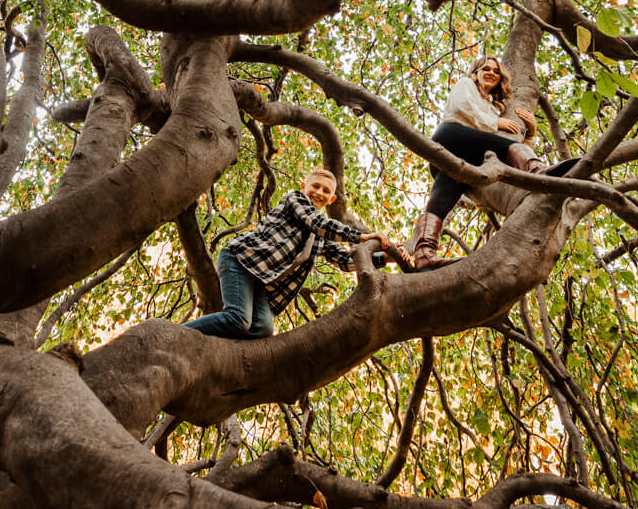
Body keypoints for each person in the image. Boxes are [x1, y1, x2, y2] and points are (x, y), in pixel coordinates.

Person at [407, 56, 582, 269]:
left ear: (500, 79)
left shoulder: (494, 107)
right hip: (451, 137)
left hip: (464, 159)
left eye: (496, 71)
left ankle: (423, 256)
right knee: (506, 147)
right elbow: (462, 107)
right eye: (485, 69)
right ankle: (537, 171)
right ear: (476, 73)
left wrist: (531, 131)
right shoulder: (466, 85)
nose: (491, 73)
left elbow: (500, 141)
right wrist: (496, 122)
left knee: (441, 200)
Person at [186, 168, 399, 339]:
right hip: (241, 259)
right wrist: (361, 236)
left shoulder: (321, 235)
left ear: (331, 199)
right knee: (238, 319)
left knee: (262, 328)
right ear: (303, 186)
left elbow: (343, 260)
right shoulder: (295, 200)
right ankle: (177, 334)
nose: (319, 193)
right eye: (315, 186)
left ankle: (218, 348)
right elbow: (315, 222)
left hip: (261, 281)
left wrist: (385, 258)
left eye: (326, 191)